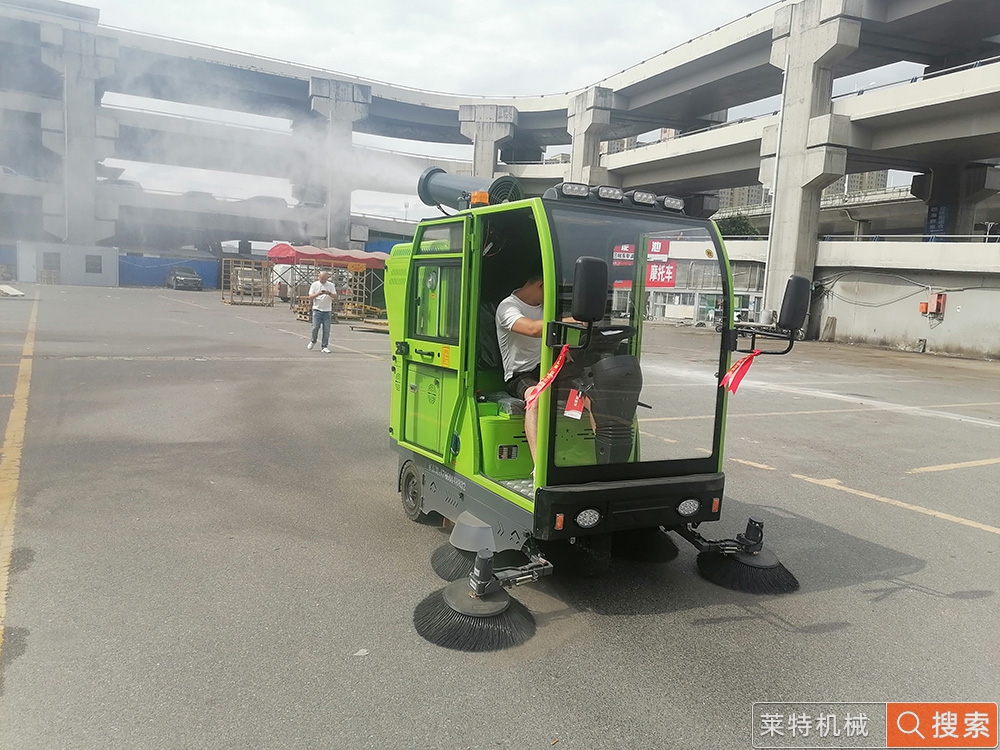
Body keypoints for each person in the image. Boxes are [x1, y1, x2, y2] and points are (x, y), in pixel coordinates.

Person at [495, 272, 577, 464]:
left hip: (548, 369)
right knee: (536, 398)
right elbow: (532, 329)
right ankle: (539, 469)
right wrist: (569, 321)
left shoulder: (546, 308)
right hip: (520, 374)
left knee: (591, 392)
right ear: (541, 285)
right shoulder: (508, 307)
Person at [307, 271, 338, 353]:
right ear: (318, 277)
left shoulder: (331, 285)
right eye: (322, 279)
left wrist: (329, 293)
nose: (323, 280)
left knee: (326, 329)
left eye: (325, 279)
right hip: (317, 309)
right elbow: (310, 297)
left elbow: (335, 297)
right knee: (315, 327)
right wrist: (318, 294)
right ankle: (313, 340)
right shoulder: (314, 285)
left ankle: (324, 346)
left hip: (327, 310)